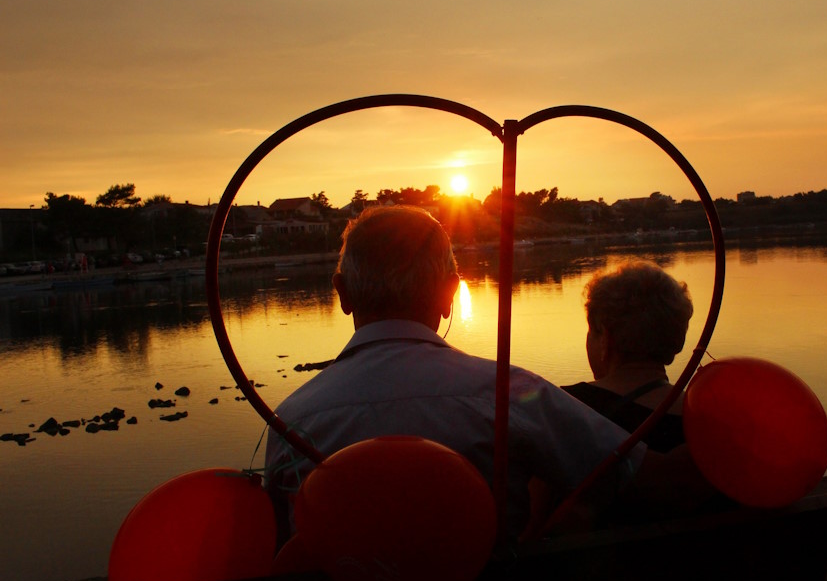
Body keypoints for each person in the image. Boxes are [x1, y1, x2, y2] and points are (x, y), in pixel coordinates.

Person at [264, 206, 707, 545]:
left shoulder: (292, 420)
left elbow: (283, 547)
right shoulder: (509, 395)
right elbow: (658, 480)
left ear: (342, 294)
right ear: (450, 293)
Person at [562, 262, 693, 453]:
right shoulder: (702, 422)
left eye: (591, 331)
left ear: (606, 338)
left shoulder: (563, 409)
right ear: (677, 342)